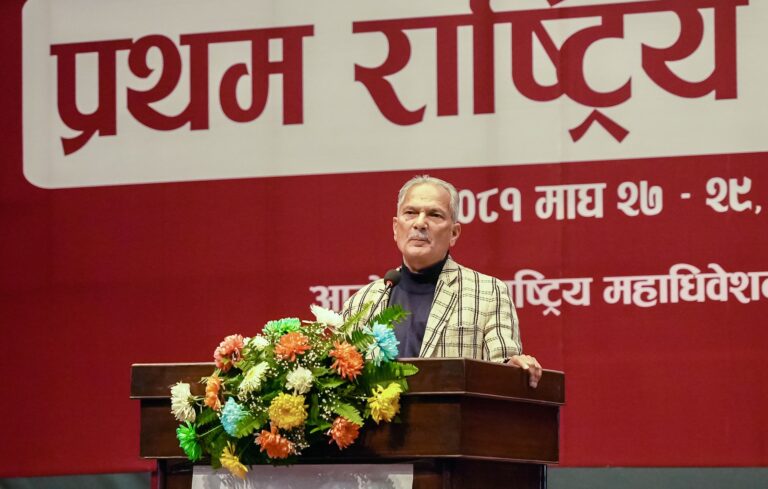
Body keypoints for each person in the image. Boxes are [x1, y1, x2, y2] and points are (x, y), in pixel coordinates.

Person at [342, 175, 543, 388]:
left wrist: (513, 367)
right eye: (410, 213)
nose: (420, 223)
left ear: (454, 233)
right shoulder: (363, 302)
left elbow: (503, 369)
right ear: (395, 227)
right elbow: (341, 379)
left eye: (434, 214)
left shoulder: (488, 292)